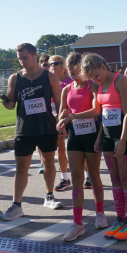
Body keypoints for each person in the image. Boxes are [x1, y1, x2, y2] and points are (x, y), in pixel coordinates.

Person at [76, 53, 127, 241]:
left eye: (96, 75)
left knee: (125, 176)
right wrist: (99, 137)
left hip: (123, 134)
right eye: (92, 77)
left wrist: (123, 139)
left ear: (103, 65)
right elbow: (104, 113)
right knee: (114, 178)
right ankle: (119, 218)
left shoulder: (121, 80)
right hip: (108, 136)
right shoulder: (100, 85)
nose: (95, 80)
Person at [0, 43, 65, 221]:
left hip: (46, 127)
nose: (22, 61)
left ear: (35, 56)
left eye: (25, 57)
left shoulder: (50, 77)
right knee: (21, 168)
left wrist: (61, 122)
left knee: (49, 163)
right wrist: (6, 102)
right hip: (25, 128)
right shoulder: (15, 78)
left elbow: (59, 102)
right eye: (20, 58)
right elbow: (11, 103)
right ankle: (16, 205)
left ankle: (49, 196)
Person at [55, 52, 107, 241]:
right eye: (69, 68)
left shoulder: (92, 86)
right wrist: (60, 121)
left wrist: (73, 116)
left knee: (93, 175)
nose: (72, 71)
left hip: (92, 134)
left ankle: (100, 213)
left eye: (75, 67)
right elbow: (62, 111)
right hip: (75, 136)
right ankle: (77, 223)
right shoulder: (66, 89)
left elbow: (96, 110)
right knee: (76, 176)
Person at [48, 55, 73, 191]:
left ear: (63, 65)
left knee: (78, 149)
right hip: (55, 118)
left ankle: (88, 177)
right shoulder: (50, 81)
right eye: (50, 64)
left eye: (55, 63)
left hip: (71, 118)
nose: (52, 66)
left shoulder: (70, 81)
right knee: (60, 149)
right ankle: (65, 178)